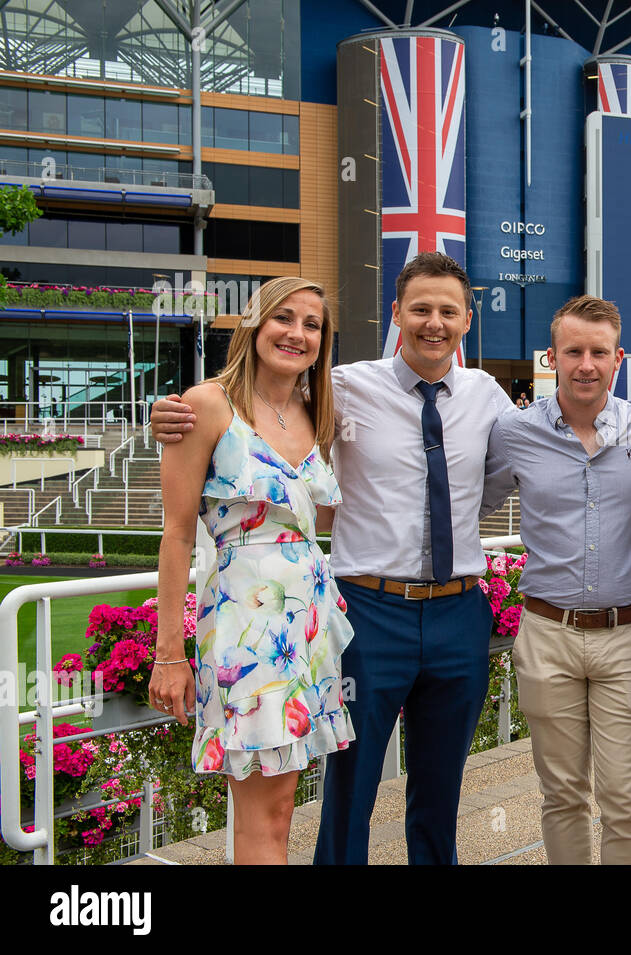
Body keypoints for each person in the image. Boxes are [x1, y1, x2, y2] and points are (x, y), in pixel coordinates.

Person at [151, 252, 512, 864]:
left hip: (455, 612)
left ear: (467, 321)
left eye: (449, 311)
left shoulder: (487, 396)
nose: (434, 322)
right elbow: (223, 440)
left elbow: (512, 469)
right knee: (348, 789)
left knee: (441, 788)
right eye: (420, 308)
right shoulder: (338, 390)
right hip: (365, 613)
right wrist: (164, 415)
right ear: (396, 313)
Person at [149, 276, 353, 865]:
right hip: (245, 625)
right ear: (254, 325)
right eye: (283, 318)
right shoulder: (209, 404)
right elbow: (178, 534)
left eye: (312, 325)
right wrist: (169, 653)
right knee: (262, 808)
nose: (297, 333)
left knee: (283, 802)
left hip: (306, 628)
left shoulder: (315, 413)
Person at [482, 295, 631, 864]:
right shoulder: (514, 432)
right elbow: (467, 501)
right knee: (561, 795)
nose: (586, 363)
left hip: (627, 638)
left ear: (619, 359)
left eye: (599, 352)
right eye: (574, 351)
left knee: (627, 798)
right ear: (552, 357)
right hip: (547, 635)